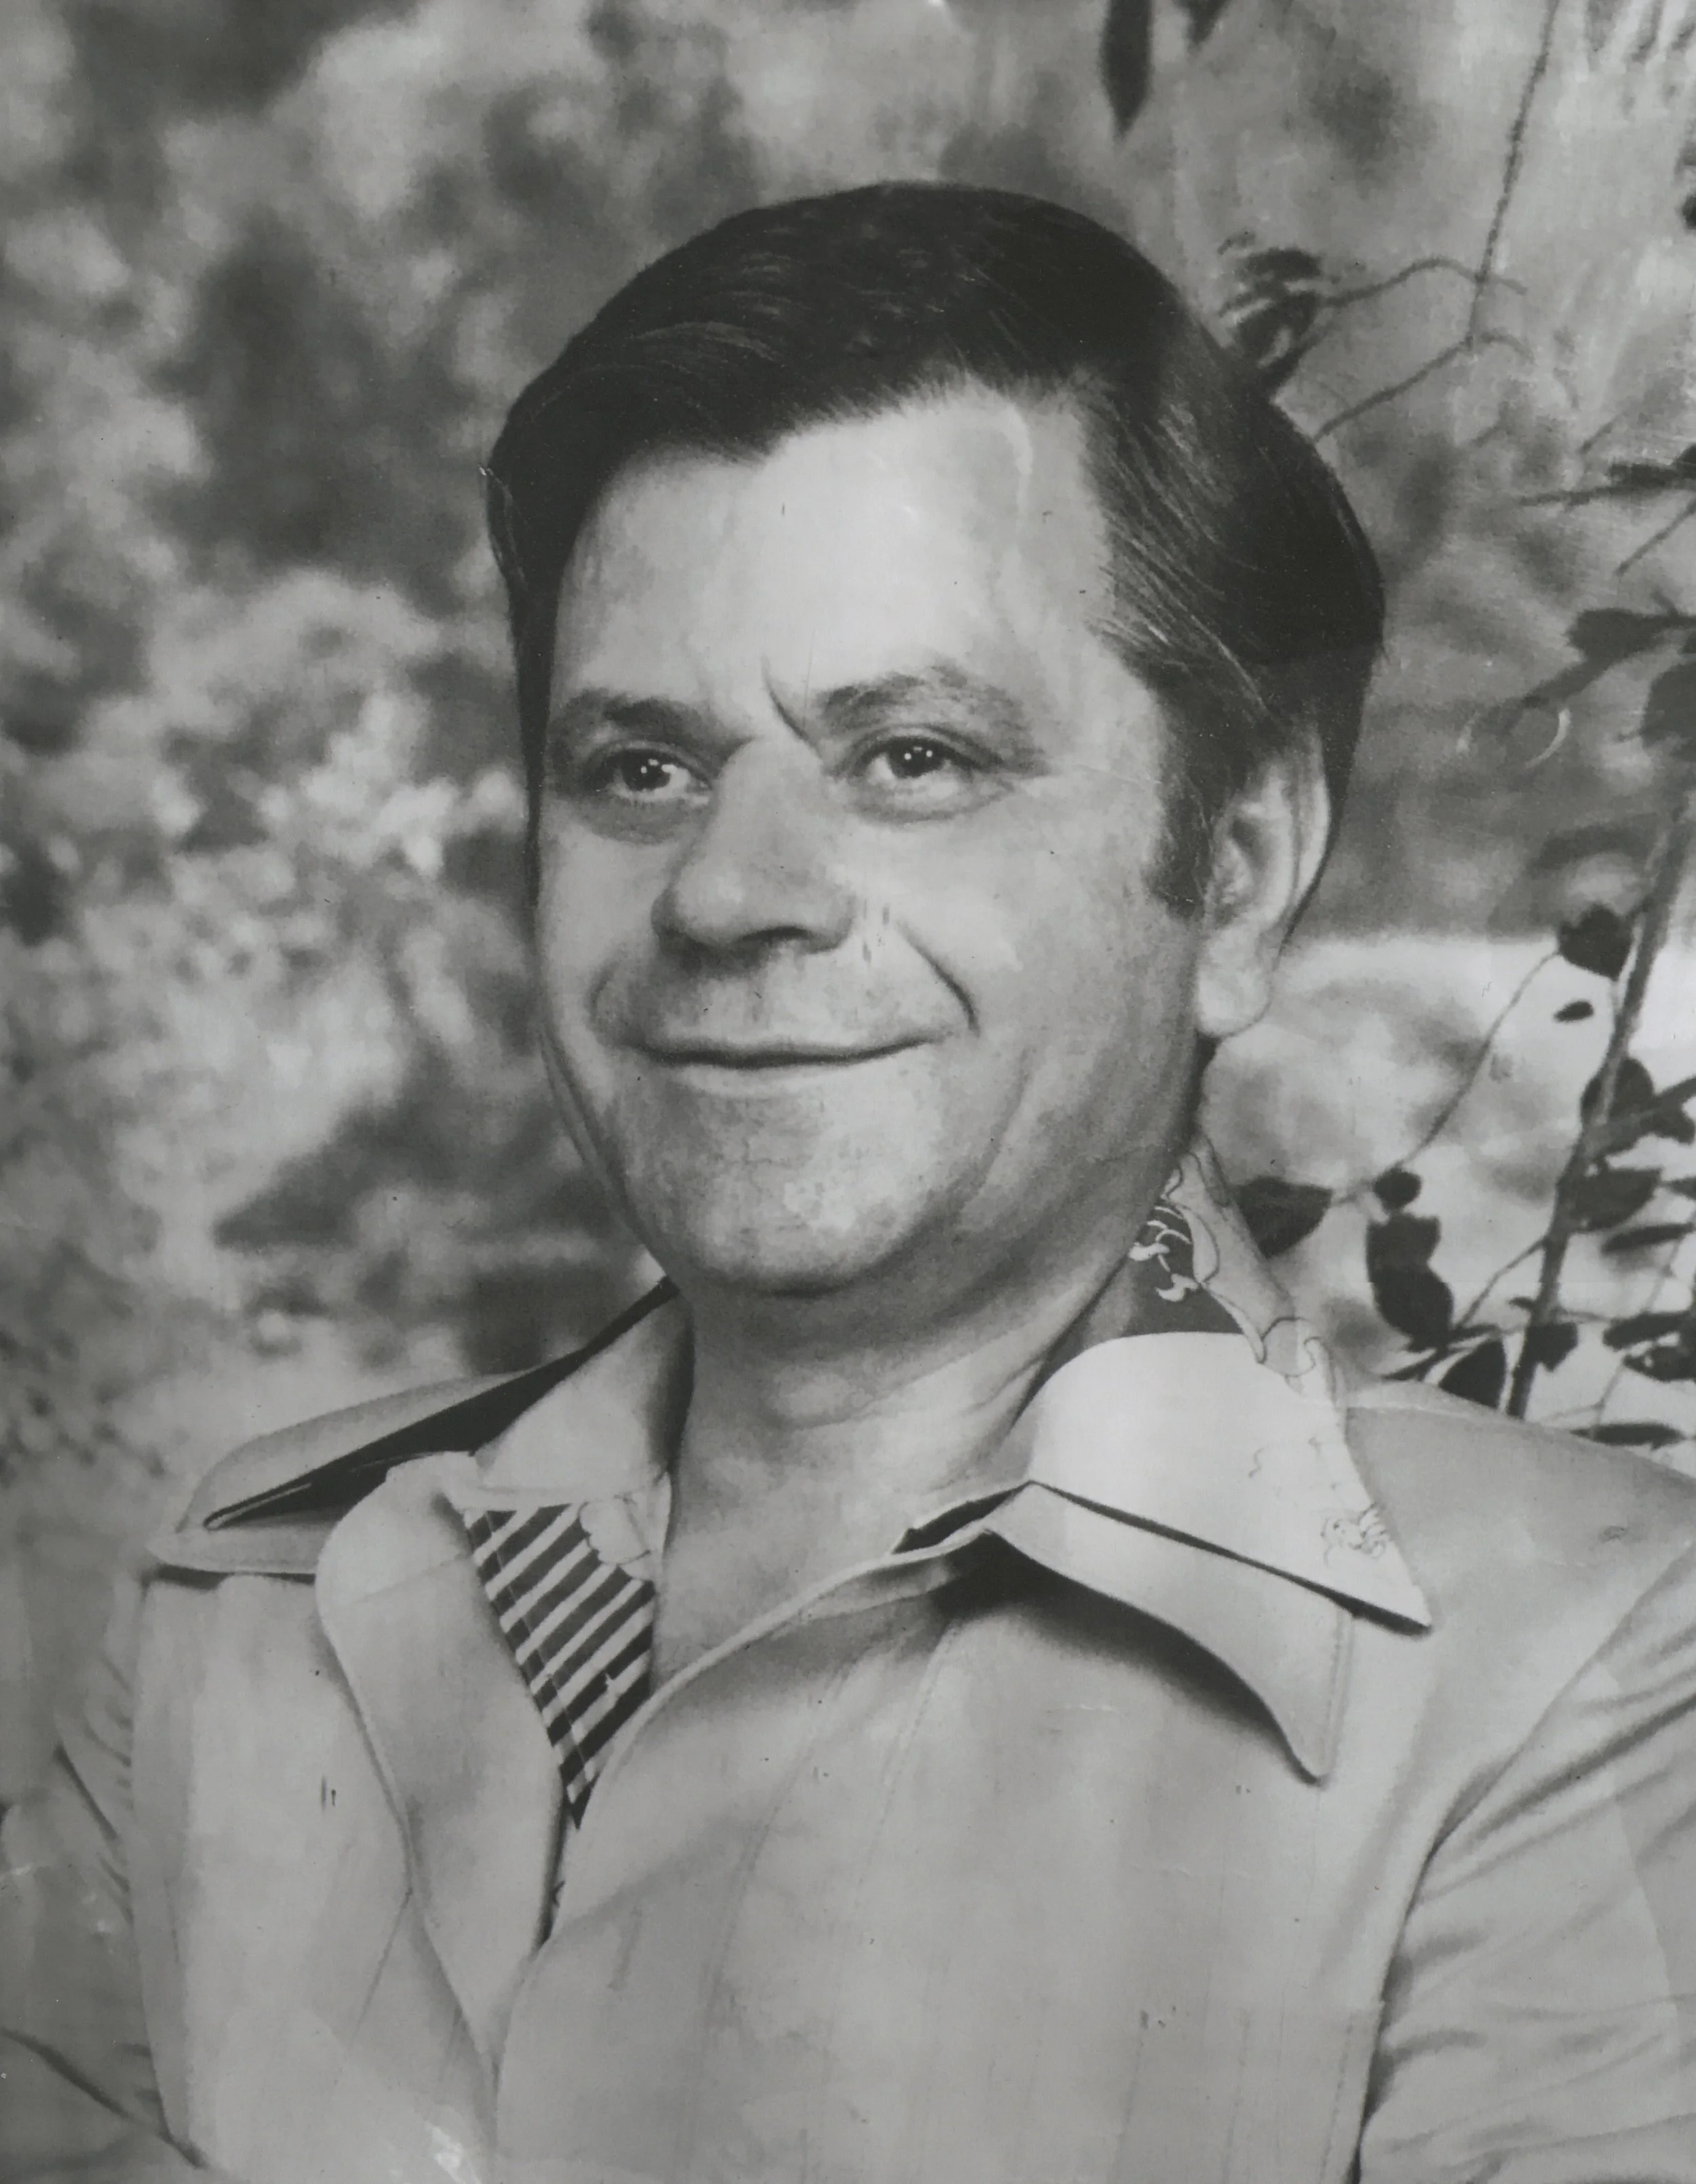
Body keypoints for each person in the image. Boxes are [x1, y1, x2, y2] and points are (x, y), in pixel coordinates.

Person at [5, 183, 1695, 2184]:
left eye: (909, 759)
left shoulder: (1587, 1674)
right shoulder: (238, 1604)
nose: (730, 891)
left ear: (1232, 871)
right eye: (640, 766)